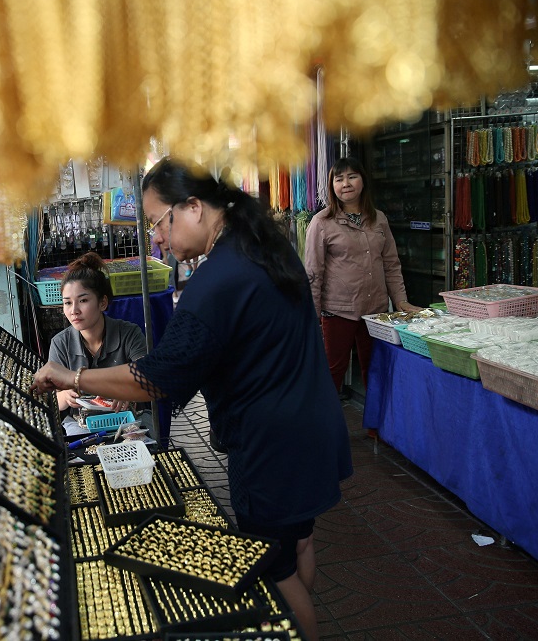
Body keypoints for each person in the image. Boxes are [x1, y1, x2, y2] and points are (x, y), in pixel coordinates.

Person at [31, 157, 352, 641]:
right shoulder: (264, 245)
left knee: (274, 576)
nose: (155, 239)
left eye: (158, 223)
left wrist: (72, 375)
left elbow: (155, 380)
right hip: (309, 426)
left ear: (194, 208)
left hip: (271, 446)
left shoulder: (216, 281)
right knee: (298, 544)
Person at [304, 157, 421, 399]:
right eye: (339, 179)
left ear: (363, 181)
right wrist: (312, 314)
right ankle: (323, 432)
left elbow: (391, 264)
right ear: (332, 186)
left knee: (376, 369)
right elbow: (313, 272)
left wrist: (400, 300)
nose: (346, 183)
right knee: (332, 370)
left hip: (376, 310)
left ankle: (376, 429)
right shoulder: (322, 222)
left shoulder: (378, 218)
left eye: (352, 176)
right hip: (337, 310)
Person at [47, 252, 146, 435]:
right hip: (80, 426)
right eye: (67, 303)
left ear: (103, 303)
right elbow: (51, 401)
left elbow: (147, 375)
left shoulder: (129, 333)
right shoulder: (60, 344)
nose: (74, 310)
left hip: (128, 420)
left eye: (83, 300)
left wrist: (128, 392)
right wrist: (64, 397)